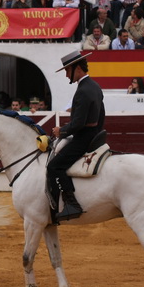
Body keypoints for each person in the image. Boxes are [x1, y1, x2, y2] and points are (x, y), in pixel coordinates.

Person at [48, 51, 104, 224]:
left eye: (67, 70)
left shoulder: (83, 90)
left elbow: (78, 124)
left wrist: (61, 131)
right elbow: (98, 114)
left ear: (76, 68)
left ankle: (72, 204)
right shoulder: (94, 86)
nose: (66, 75)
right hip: (94, 134)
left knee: (54, 166)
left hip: (83, 138)